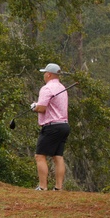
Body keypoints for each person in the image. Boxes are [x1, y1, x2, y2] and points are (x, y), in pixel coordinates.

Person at [32, 63, 70, 191]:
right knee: (57, 156)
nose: (44, 75)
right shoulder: (62, 87)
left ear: (48, 74)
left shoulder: (47, 88)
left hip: (52, 126)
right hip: (64, 125)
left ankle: (42, 187)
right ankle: (58, 187)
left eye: (44, 73)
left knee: (40, 156)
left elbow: (42, 108)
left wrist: (34, 107)